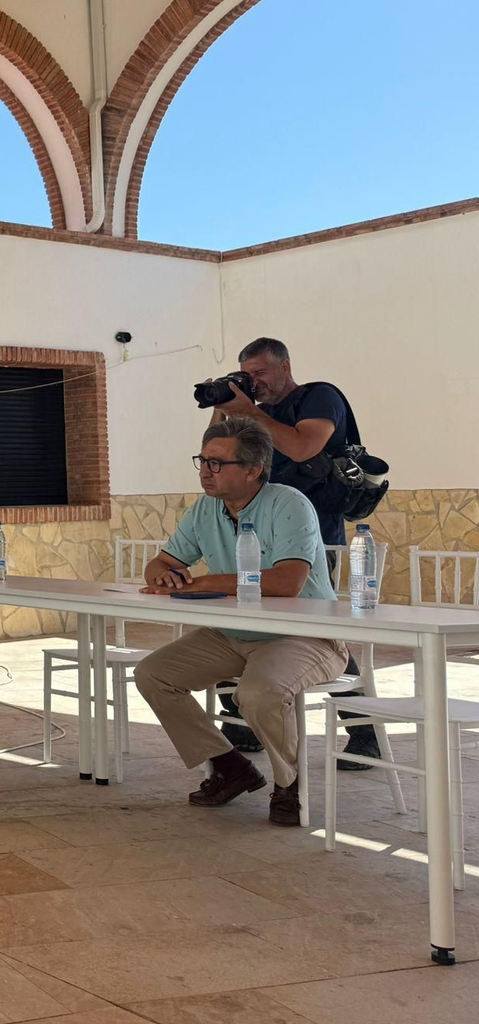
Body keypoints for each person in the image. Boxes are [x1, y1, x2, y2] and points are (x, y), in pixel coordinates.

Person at [131, 417, 347, 827]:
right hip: (233, 634)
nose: (205, 472)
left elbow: (287, 583)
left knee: (259, 693)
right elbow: (161, 561)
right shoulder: (205, 509)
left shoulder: (289, 503)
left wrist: (207, 582)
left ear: (253, 470)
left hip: (306, 636)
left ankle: (290, 785)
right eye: (202, 461)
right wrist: (161, 574)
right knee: (154, 674)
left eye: (217, 463)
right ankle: (230, 767)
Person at [209, 337, 380, 765]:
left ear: (285, 366)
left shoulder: (320, 397)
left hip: (314, 532)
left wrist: (250, 411)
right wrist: (223, 407)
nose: (255, 382)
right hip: (258, 528)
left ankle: (364, 731)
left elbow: (304, 447)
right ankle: (242, 721)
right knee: (253, 619)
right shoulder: (251, 409)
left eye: (261, 373)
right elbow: (219, 449)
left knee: (318, 628)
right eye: (247, 374)